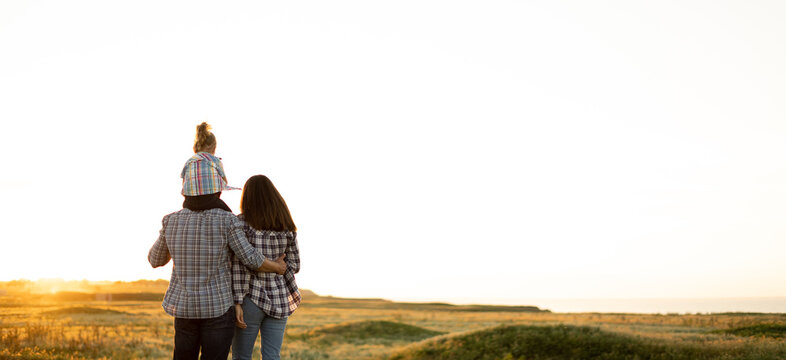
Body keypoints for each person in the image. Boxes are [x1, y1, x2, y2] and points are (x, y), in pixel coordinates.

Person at [148, 205, 287, 360]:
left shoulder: (171, 220)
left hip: (185, 308)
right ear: (217, 192)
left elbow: (155, 260)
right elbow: (249, 258)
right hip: (218, 308)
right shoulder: (227, 219)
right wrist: (277, 267)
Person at [231, 175, 301, 360]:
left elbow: (237, 268)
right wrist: (277, 266)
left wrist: (237, 301)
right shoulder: (286, 226)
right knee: (272, 356)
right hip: (279, 298)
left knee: (241, 357)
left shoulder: (240, 225)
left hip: (250, 298)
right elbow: (294, 265)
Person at [181, 122, 234, 212]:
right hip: (210, 201)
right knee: (229, 212)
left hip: (189, 202)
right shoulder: (215, 160)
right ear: (213, 147)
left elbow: (184, 183)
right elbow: (224, 182)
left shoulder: (189, 161)